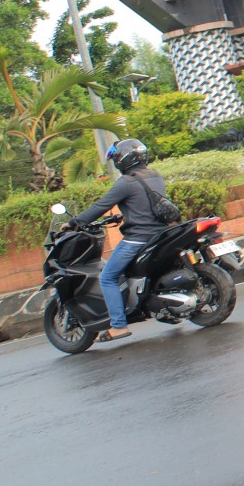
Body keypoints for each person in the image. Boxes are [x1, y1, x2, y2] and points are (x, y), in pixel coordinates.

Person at [72, 137, 173, 345]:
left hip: (138, 238)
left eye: (117, 158)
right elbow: (143, 204)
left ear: (123, 159)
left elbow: (100, 206)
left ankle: (118, 326)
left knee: (108, 277)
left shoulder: (126, 182)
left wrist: (74, 222)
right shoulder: (155, 175)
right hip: (160, 234)